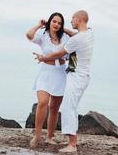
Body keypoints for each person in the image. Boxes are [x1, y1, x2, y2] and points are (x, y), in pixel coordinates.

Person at [34, 10, 94, 153]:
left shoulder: (76, 39)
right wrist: (63, 29)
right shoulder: (90, 34)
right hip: (79, 75)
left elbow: (59, 54)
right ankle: (71, 142)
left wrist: (43, 58)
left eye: (73, 18)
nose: (71, 20)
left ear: (79, 20)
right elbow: (75, 37)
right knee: (70, 108)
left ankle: (72, 145)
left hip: (77, 76)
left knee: (68, 108)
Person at [26, 12, 71, 147]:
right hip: (45, 73)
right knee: (43, 103)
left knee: (54, 108)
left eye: (59, 23)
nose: (56, 24)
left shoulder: (65, 38)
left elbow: (76, 38)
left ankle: (49, 136)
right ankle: (37, 136)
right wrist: (39, 25)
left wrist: (65, 30)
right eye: (54, 21)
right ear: (49, 22)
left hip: (60, 74)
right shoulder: (43, 37)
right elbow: (29, 35)